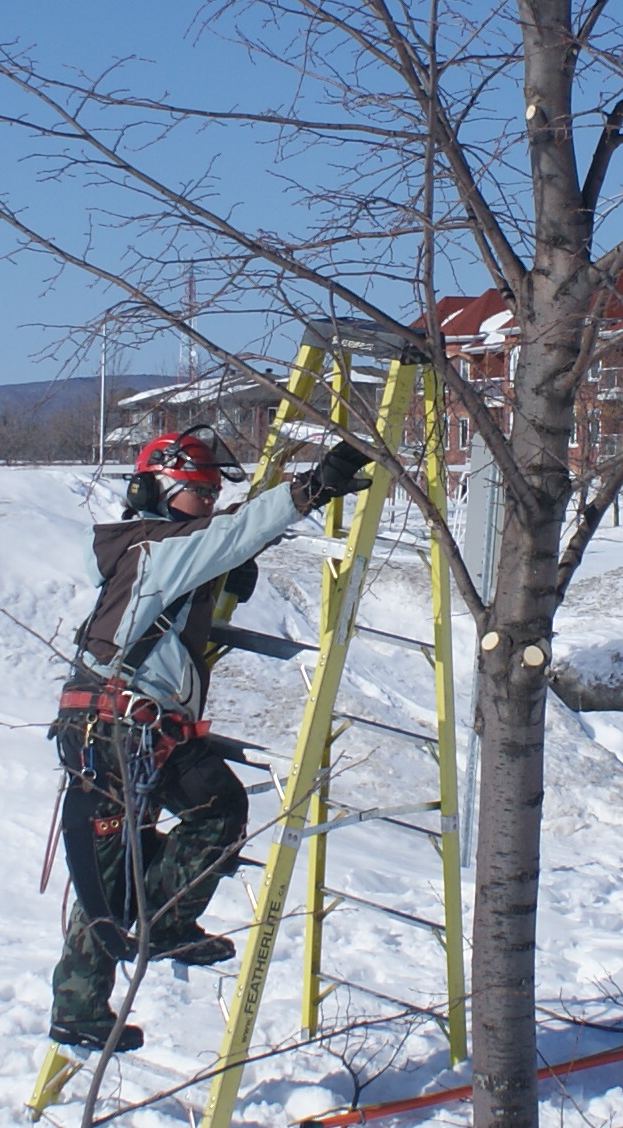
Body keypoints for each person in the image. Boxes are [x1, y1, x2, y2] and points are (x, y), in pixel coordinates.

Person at [45, 426, 376, 1054]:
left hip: (136, 726)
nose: (211, 502)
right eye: (199, 491)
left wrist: (245, 553)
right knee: (168, 838)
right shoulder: (156, 548)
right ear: (161, 490)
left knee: (189, 824)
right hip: (119, 728)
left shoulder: (165, 549)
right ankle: (119, 967)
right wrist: (311, 487)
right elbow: (230, 535)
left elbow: (228, 543)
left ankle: (128, 957)